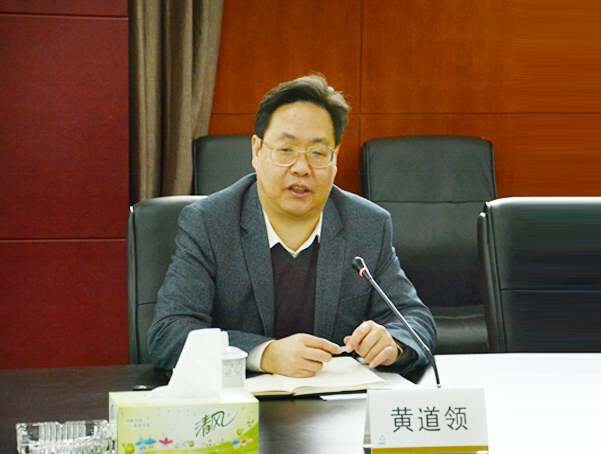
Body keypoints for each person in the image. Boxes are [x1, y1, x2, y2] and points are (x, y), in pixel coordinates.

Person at [147, 74, 436, 377]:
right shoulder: (210, 223)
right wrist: (264, 354)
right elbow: (170, 333)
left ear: (335, 160)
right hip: (241, 400)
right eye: (286, 150)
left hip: (336, 402)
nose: (301, 168)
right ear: (257, 151)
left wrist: (394, 343)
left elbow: (414, 318)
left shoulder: (367, 225)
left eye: (318, 153)